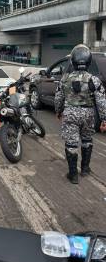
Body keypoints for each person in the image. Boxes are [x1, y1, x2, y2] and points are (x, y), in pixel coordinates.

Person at [55, 44, 106, 184]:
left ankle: (73, 175)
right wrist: (104, 119)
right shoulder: (94, 80)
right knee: (87, 140)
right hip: (88, 114)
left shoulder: (64, 79)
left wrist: (58, 111)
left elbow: (58, 98)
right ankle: (84, 169)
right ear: (88, 61)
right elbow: (101, 101)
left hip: (70, 114)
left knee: (71, 144)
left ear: (73, 61)